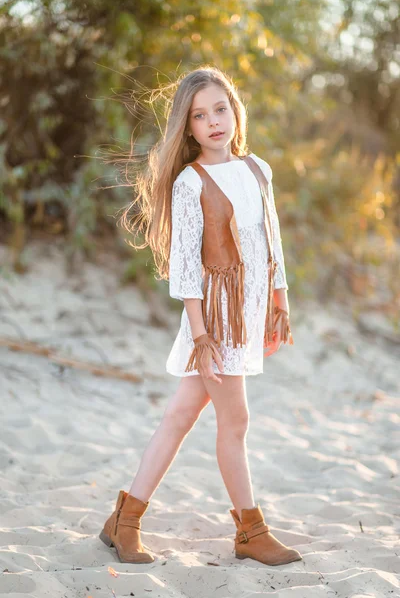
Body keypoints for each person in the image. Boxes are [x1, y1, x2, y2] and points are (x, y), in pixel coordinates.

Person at [99, 65, 302, 567]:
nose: (214, 121)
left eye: (220, 109)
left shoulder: (258, 169)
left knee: (180, 415)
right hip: (215, 320)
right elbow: (186, 268)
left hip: (249, 309)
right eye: (200, 115)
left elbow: (270, 238)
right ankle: (250, 531)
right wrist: (201, 336)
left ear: (235, 111)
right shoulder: (191, 182)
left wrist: (280, 299)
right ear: (186, 128)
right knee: (235, 419)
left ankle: (122, 521)